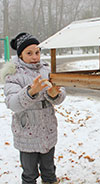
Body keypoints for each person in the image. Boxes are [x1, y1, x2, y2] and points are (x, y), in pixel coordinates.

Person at [1, 32, 66, 184]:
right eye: (29, 53)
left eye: (37, 52)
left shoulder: (47, 69)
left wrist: (55, 94)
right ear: (21, 55)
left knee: (49, 169)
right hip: (27, 131)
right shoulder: (13, 74)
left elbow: (60, 95)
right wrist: (31, 92)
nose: (35, 57)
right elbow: (12, 103)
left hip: (47, 129)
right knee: (29, 173)